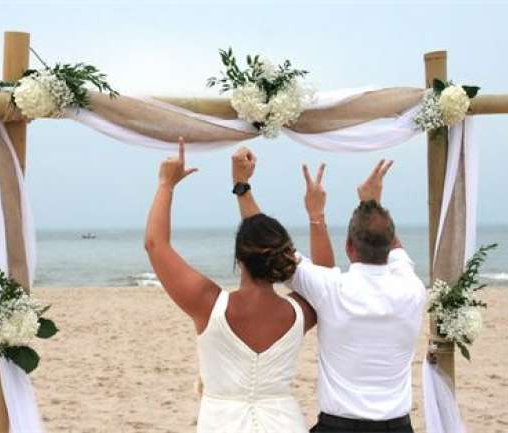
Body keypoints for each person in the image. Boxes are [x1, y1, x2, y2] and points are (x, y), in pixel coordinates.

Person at [235, 152, 425, 432]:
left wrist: (242, 186)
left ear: (348, 247)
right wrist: (371, 202)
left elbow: (265, 243)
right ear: (391, 248)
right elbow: (390, 242)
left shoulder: (333, 289)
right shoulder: (413, 288)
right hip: (397, 427)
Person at [144, 138, 316, 433]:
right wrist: (316, 216)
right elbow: (319, 273)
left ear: (239, 258)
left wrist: (166, 184)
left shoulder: (209, 305)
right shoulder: (303, 310)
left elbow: (156, 245)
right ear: (284, 255)